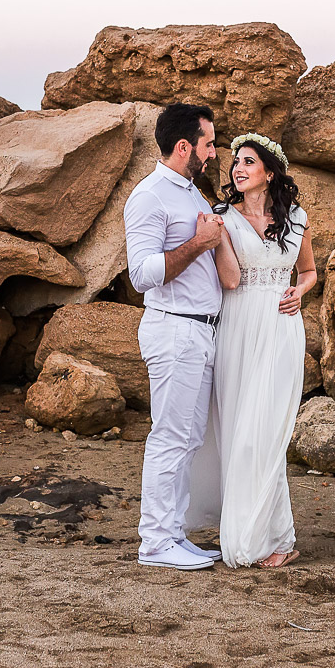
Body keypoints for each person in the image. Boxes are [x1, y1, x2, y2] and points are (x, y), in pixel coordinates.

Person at [185, 133, 316, 568]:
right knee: (239, 433)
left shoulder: (296, 218)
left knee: (267, 433)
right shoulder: (222, 216)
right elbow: (230, 281)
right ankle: (263, 536)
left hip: (281, 328)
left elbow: (310, 271)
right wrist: (218, 237)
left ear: (270, 172)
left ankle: (273, 536)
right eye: (235, 162)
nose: (237, 169)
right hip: (237, 326)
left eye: (248, 162)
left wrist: (301, 290)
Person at [123, 103, 225, 570]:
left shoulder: (193, 195)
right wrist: (199, 244)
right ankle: (155, 543)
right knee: (169, 436)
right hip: (174, 329)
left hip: (200, 331)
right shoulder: (150, 197)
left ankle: (173, 532)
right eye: (209, 143)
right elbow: (142, 274)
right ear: (184, 147)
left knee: (188, 438)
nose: (214, 151)